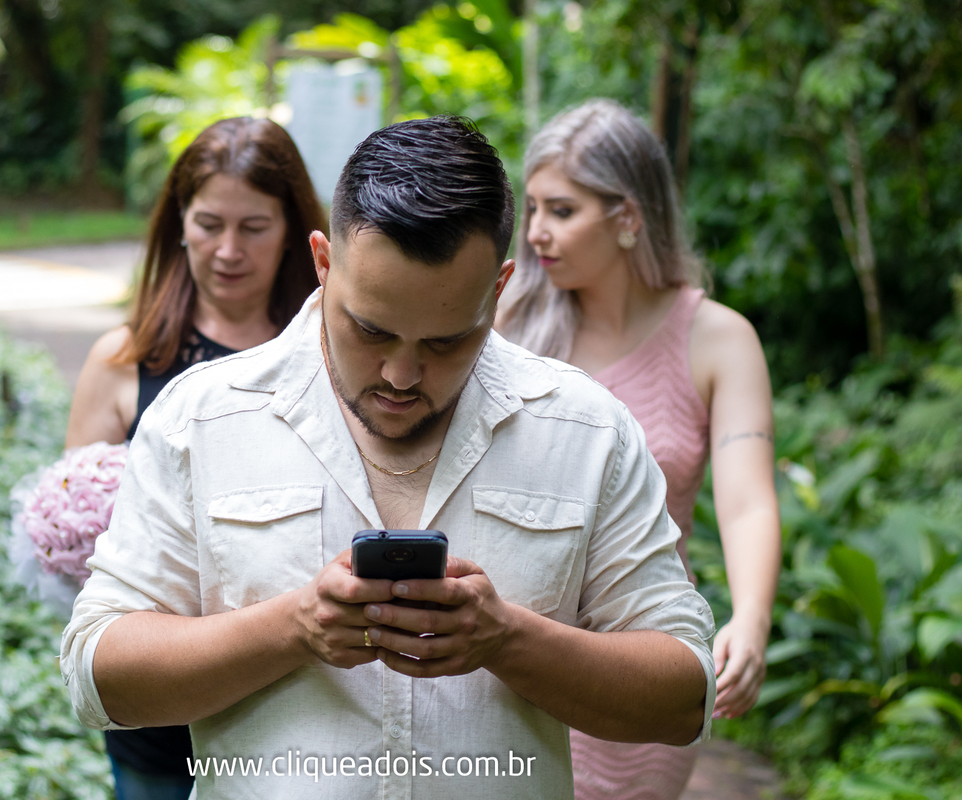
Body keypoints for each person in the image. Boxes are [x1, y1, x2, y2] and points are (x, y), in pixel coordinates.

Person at [61, 115, 717, 800]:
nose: (402, 375)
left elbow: (683, 696)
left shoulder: (585, 431)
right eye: (370, 330)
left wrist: (506, 641)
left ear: (498, 289)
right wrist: (294, 626)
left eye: (446, 341)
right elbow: (95, 675)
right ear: (323, 262)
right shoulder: (200, 419)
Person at [497, 99, 782, 799]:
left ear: (628, 217)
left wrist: (751, 620)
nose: (535, 233)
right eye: (530, 208)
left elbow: (746, 502)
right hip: (502, 658)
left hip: (641, 660)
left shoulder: (718, 338)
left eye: (561, 211)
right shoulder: (503, 322)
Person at [64, 116, 324, 800]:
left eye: (255, 227)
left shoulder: (329, 358)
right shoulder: (125, 361)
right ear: (178, 223)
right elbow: (77, 545)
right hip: (160, 714)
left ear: (297, 230)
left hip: (297, 696)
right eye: (209, 224)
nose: (228, 250)